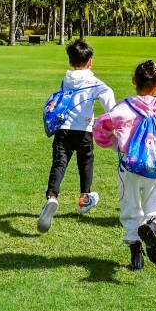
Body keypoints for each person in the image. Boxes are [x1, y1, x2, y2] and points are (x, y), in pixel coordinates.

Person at [94, 59, 156, 270]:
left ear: (134, 81)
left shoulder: (124, 108)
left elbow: (100, 128)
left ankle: (135, 253)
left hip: (130, 167)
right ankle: (152, 225)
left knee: (130, 207)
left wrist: (114, 143)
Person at [38, 39, 116, 233]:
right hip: (84, 131)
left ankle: (52, 197)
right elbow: (110, 104)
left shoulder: (66, 79)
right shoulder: (95, 83)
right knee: (85, 164)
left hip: (63, 129)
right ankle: (84, 200)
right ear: (90, 61)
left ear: (70, 60)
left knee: (59, 163)